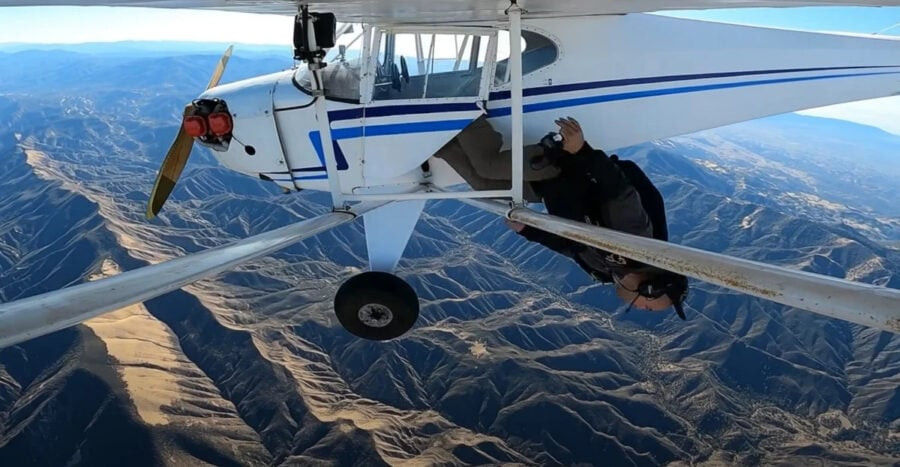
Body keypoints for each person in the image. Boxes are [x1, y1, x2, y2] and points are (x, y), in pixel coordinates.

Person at [434, 116, 688, 317]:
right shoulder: (637, 246)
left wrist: (528, 230)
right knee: (488, 165)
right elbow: (619, 192)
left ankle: (436, 142)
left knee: (486, 186)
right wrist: (581, 150)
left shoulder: (604, 271)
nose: (642, 308)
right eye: (649, 306)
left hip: (554, 190)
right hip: (567, 168)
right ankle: (462, 112)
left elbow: (568, 245)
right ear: (649, 289)